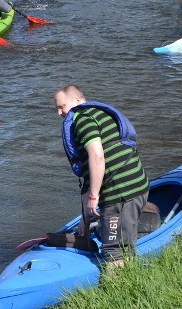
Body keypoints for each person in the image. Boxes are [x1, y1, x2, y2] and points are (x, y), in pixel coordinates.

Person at [54, 85, 150, 265]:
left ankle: (119, 287)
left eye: (62, 107)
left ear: (77, 101)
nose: (59, 112)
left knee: (114, 252)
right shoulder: (96, 113)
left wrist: (94, 196)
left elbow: (97, 157)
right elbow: (88, 174)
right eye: (57, 108)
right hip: (137, 185)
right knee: (120, 237)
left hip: (121, 192)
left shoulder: (82, 119)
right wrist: (85, 218)